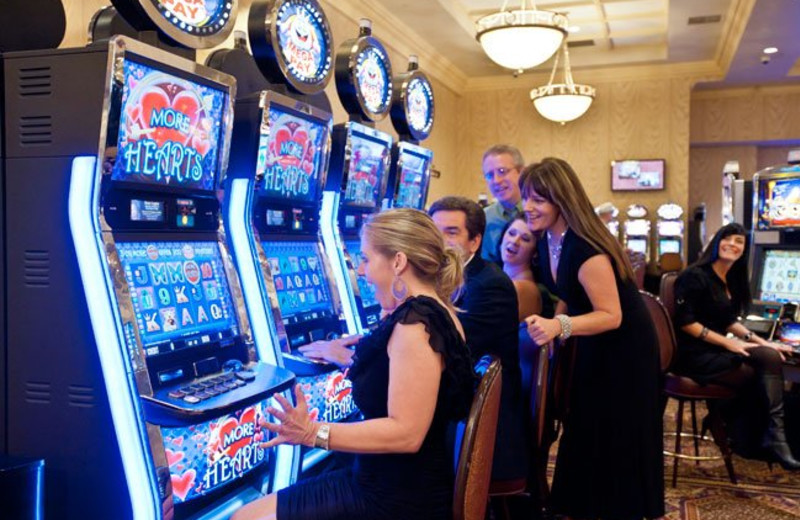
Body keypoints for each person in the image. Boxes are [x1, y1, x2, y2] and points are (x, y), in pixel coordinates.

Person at [232, 209, 476, 520]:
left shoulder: (416, 325)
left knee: (244, 518)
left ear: (398, 262)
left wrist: (312, 433)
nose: (360, 271)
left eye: (366, 259)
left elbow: (406, 433)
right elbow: (402, 374)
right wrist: (350, 354)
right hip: (394, 479)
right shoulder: (438, 312)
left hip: (394, 498)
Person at [521, 157, 664, 520]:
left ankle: (619, 508)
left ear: (561, 200)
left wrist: (560, 328)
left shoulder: (586, 248)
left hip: (624, 349)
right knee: (584, 420)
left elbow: (611, 315)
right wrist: (557, 326)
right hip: (592, 339)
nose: (529, 207)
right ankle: (581, 503)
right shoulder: (549, 240)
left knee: (613, 427)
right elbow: (567, 292)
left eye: (539, 199)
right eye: (526, 198)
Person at [673, 222, 800, 469]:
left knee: (769, 357)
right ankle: (753, 429)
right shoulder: (695, 276)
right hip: (693, 353)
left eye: (739, 241)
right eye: (728, 238)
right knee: (758, 370)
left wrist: (765, 343)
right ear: (717, 241)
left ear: (744, 249)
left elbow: (730, 322)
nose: (732, 244)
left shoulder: (729, 279)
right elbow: (686, 323)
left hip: (715, 349)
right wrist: (729, 345)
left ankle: (769, 435)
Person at [428, 196, 529, 485]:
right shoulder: (451, 275)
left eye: (451, 232)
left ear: (474, 242)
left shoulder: (488, 285)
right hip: (461, 401)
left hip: (481, 421)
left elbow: (449, 349)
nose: (441, 242)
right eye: (435, 232)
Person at [480, 144, 525, 264]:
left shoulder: (538, 212)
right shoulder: (483, 218)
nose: (496, 181)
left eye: (502, 172)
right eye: (489, 175)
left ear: (521, 172)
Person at [497, 216, 543, 321]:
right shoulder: (505, 280)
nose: (514, 241)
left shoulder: (520, 287)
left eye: (525, 239)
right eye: (512, 233)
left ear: (535, 252)